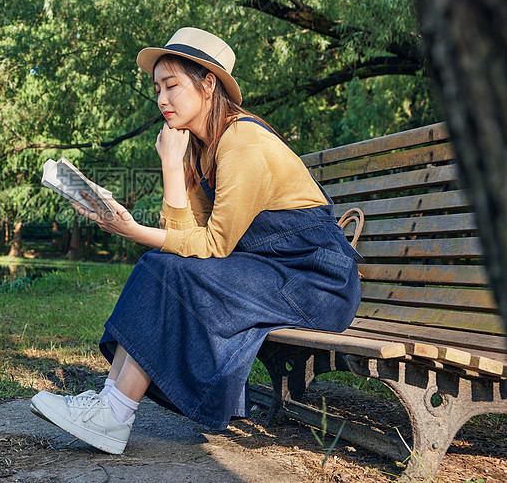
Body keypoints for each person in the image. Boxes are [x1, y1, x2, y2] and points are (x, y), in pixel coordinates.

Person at [29, 27, 362, 455]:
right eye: (157, 89)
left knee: (168, 268)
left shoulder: (243, 141)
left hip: (316, 282)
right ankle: (109, 403)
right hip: (271, 271)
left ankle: (113, 413)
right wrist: (171, 164)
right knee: (160, 265)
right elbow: (185, 237)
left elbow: (216, 245)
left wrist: (133, 230)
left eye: (171, 86)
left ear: (208, 84)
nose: (162, 100)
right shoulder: (202, 149)